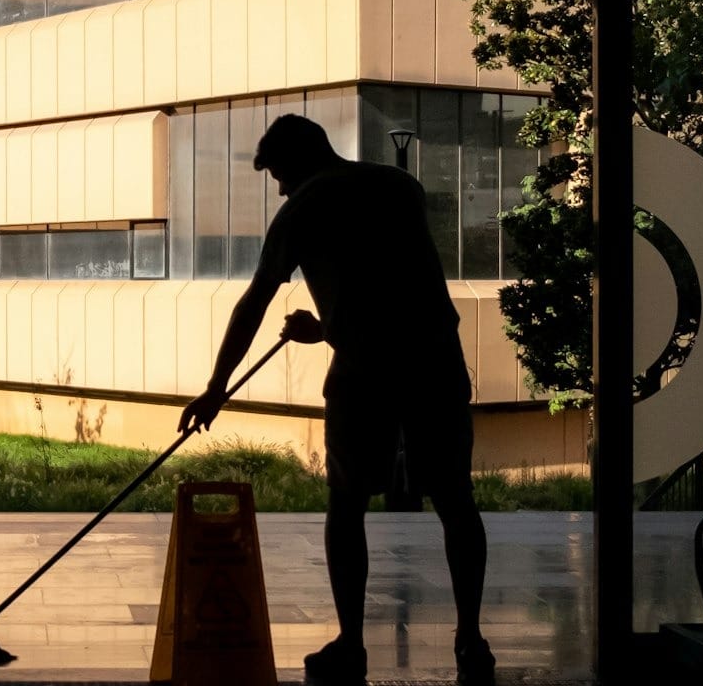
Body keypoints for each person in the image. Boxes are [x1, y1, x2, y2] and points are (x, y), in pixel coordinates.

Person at [178, 114, 494, 686]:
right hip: (435, 362)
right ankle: (471, 639)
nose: (279, 189)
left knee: (347, 505)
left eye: (278, 175)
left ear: (296, 162)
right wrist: (326, 328)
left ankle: (351, 645)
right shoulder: (401, 188)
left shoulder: (303, 207)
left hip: (364, 375)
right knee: (455, 500)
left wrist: (217, 387)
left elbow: (254, 302)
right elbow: (395, 292)